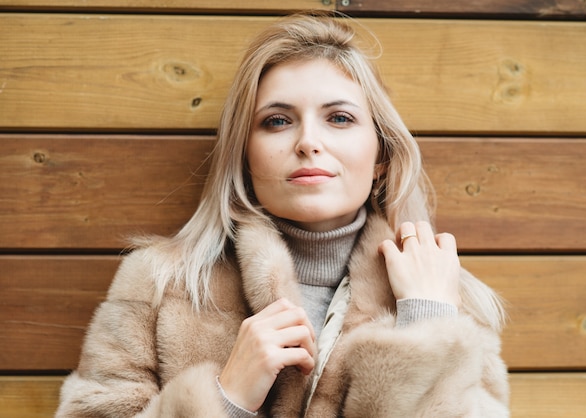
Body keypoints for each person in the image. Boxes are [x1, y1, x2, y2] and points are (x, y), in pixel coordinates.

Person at [56, 12, 509, 417]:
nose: (308, 141)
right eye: (277, 120)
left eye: (339, 119)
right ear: (244, 157)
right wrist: (226, 398)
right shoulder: (159, 285)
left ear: (380, 158)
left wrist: (428, 323)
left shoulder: (447, 295)